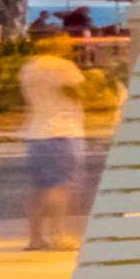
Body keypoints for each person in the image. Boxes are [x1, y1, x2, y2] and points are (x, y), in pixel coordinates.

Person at [18, 32, 91, 251]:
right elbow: (81, 92)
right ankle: (59, 235)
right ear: (57, 43)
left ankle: (35, 238)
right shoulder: (63, 67)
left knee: (39, 188)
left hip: (35, 132)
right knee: (61, 186)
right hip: (62, 131)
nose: (71, 44)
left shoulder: (29, 67)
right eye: (67, 40)